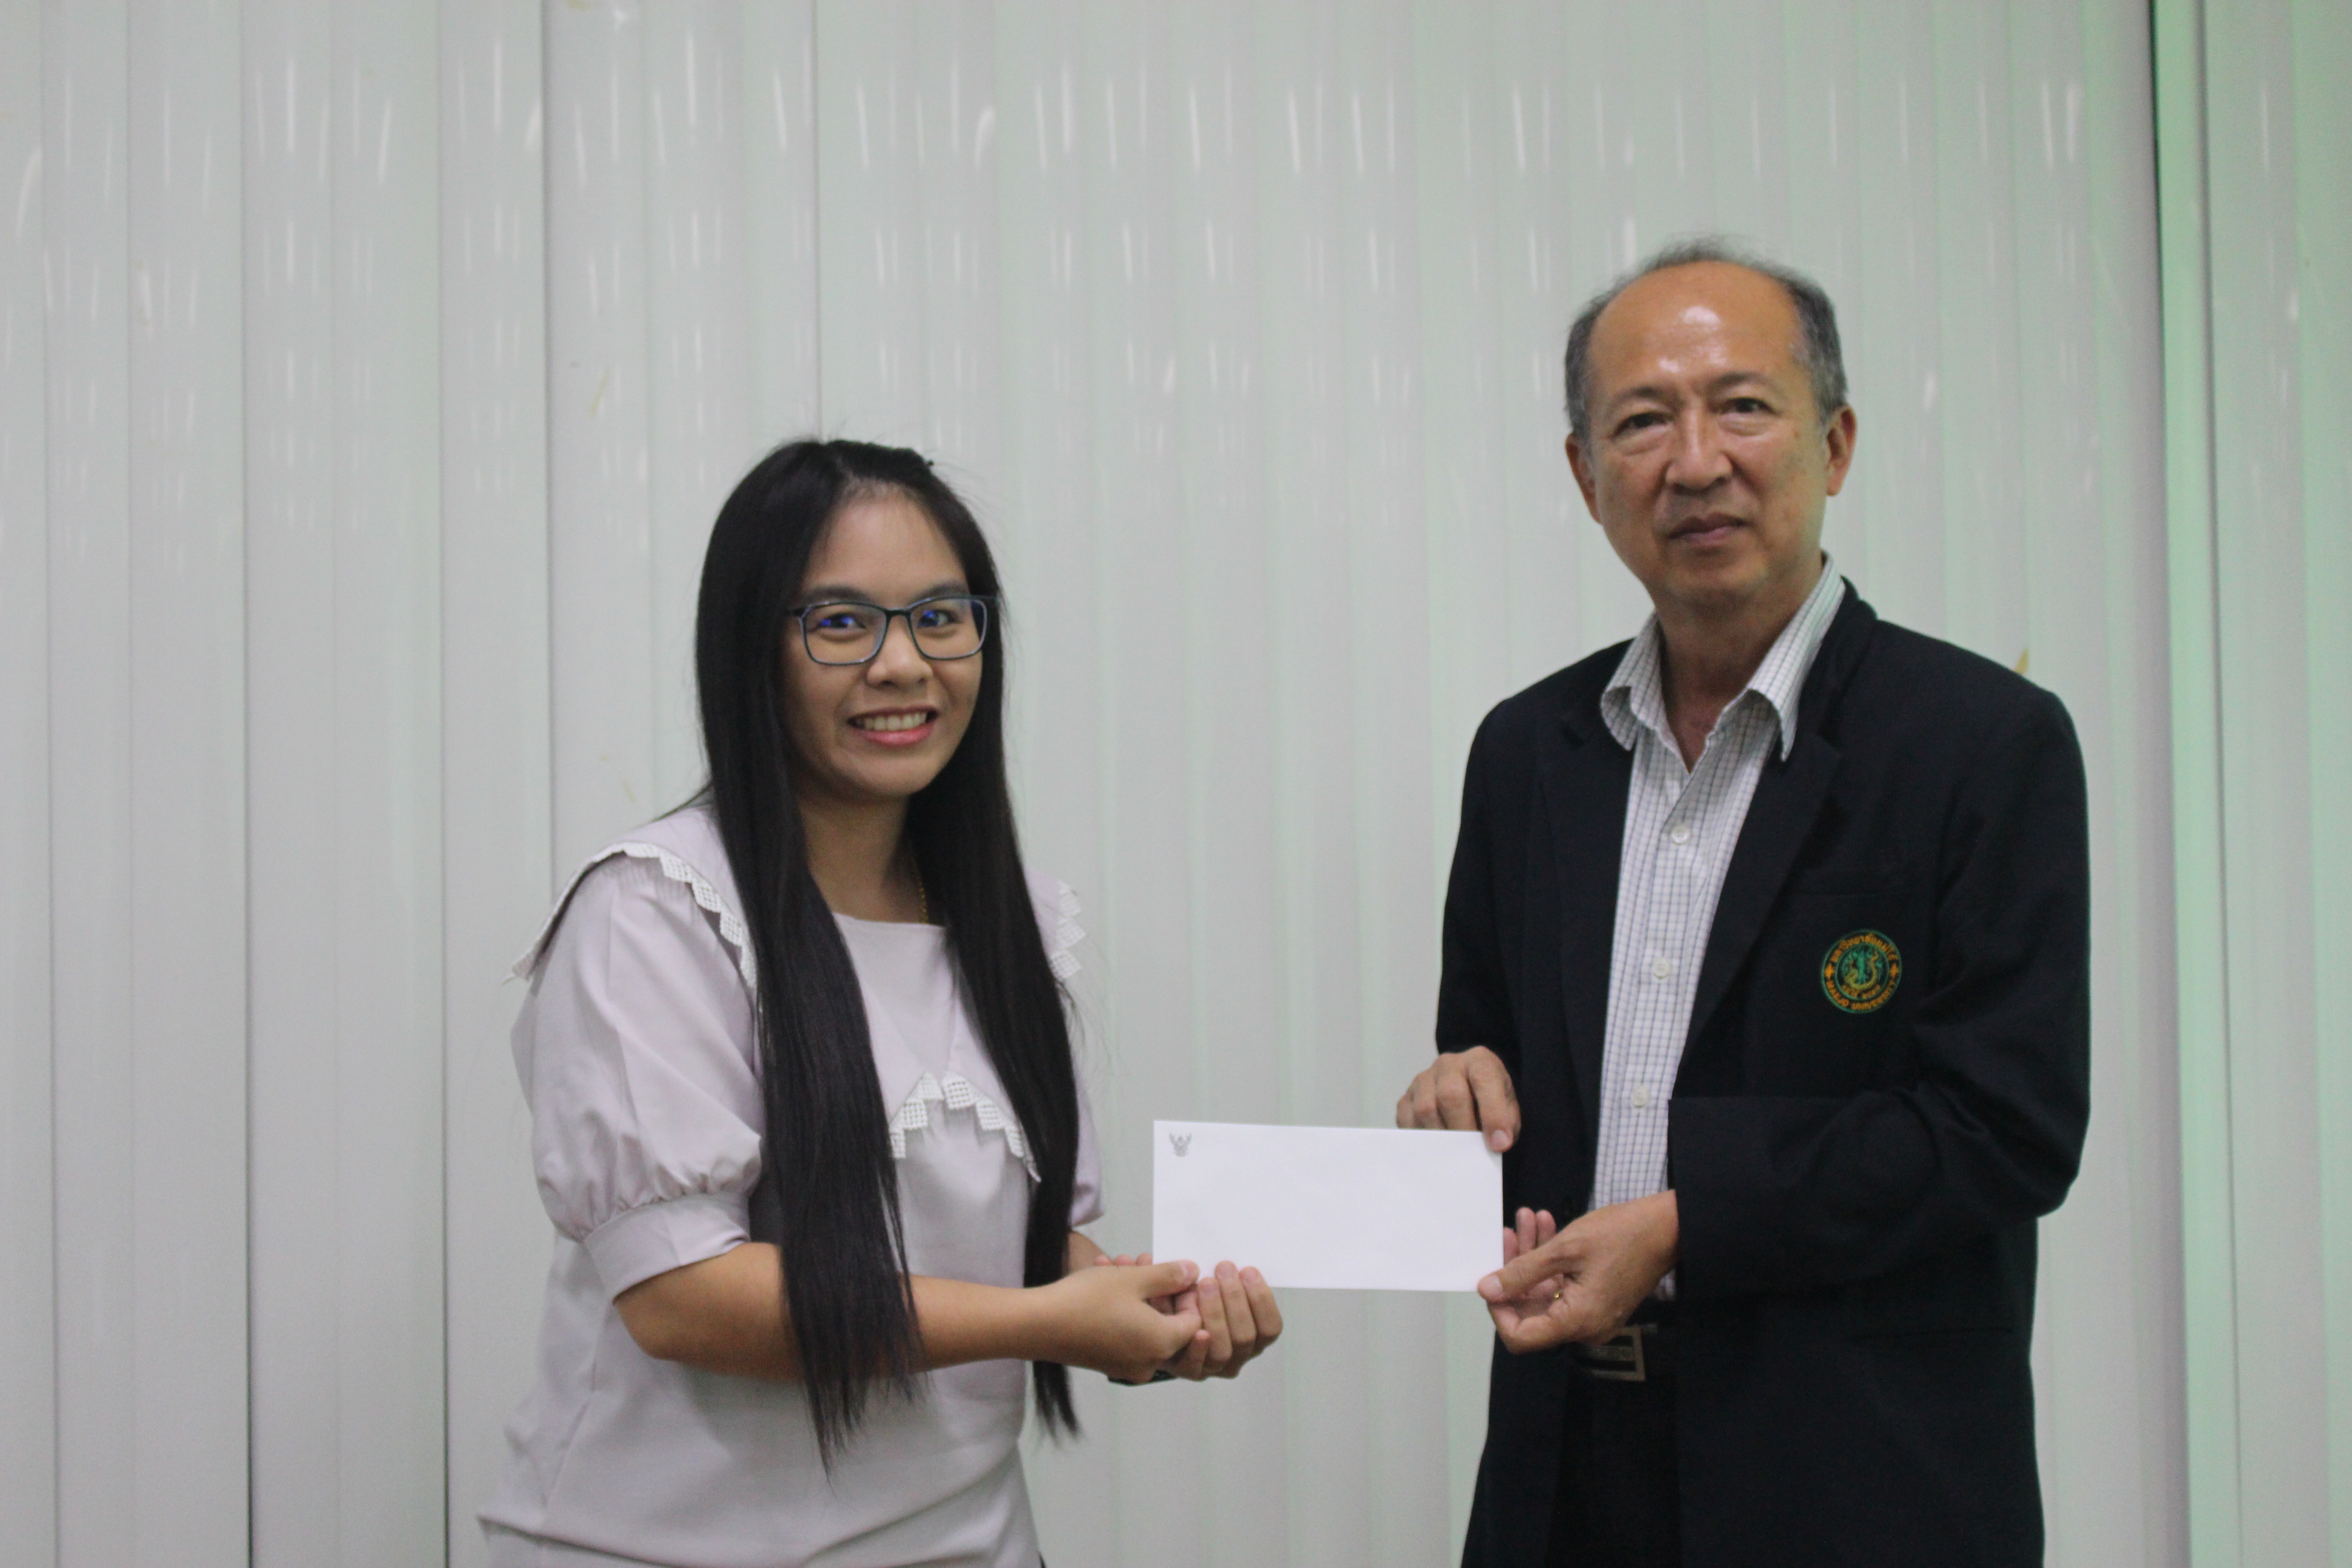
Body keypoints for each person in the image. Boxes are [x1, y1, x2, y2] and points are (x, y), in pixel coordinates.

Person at [1396, 239, 2089, 1567]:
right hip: (1564, 1471)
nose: (1696, 460)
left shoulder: (1982, 742)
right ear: (1585, 475)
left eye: (1743, 406)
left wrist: (1685, 1224)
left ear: (1836, 445)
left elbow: (2006, 1128)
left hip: (1857, 1485)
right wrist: (1457, 1094)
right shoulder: (1527, 752)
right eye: (1643, 422)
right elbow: (1487, 1063)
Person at [482, 439, 1281, 1568]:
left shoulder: (1014, 918)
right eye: (842, 623)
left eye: (941, 618)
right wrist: (1048, 1322)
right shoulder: (656, 910)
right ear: (752, 650)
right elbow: (682, 1297)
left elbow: (1030, 1246)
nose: (903, 664)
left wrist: (1151, 1310)